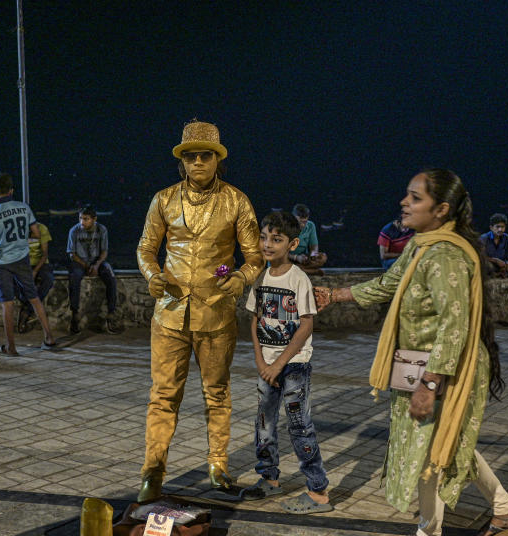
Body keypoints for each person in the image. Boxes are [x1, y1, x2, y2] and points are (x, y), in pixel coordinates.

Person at [314, 169, 508, 536]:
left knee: (432, 447)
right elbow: (389, 284)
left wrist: (429, 384)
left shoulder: (445, 255)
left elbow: (454, 324)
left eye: (415, 198)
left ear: (441, 208)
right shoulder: (421, 246)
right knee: (451, 441)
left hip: (441, 367)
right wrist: (335, 295)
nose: (404, 203)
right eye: (407, 196)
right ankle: (507, 513)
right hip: (426, 364)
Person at [135, 119, 262, 501]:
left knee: (217, 393)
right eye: (190, 157)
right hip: (170, 312)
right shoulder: (163, 200)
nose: (197, 163)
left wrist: (240, 278)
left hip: (216, 314)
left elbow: (254, 257)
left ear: (217, 160)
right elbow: (145, 249)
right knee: (163, 395)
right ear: (182, 162)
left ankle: (218, 464)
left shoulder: (237, 201)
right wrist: (152, 275)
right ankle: (153, 470)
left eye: (205, 156)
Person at [240, 210, 332, 513]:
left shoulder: (299, 279)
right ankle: (269, 478)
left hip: (293, 365)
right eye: (264, 238)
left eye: (276, 239)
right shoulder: (259, 277)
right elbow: (255, 320)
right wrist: (260, 360)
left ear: (292, 244)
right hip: (266, 366)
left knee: (299, 425)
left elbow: (306, 324)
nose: (268, 244)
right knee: (264, 423)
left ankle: (318, 490)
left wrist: (279, 364)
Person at [0, 172, 58, 354]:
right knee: (34, 297)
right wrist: (21, 239)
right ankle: (49, 337)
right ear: (11, 190)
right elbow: (36, 234)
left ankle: (11, 346)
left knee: (7, 303)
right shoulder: (24, 208)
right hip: (22, 258)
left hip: (2, 262)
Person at [66, 204, 121, 334]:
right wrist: (86, 265)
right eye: (80, 218)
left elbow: (104, 251)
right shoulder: (74, 231)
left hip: (97, 262)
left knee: (110, 276)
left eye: (85, 219)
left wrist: (96, 265)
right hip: (80, 262)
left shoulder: (102, 230)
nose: (82, 222)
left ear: (94, 219)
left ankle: (111, 315)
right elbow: (71, 254)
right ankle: (75, 315)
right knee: (74, 277)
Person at [16, 219, 54, 333]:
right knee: (13, 281)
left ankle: (27, 310)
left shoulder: (42, 229)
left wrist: (35, 271)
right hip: (24, 263)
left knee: (48, 280)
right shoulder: (18, 230)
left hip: (40, 263)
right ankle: (29, 306)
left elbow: (44, 254)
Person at [289, 204, 327, 273]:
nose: (302, 225)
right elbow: (279, 252)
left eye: (304, 222)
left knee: (322, 257)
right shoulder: (284, 226)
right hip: (288, 258)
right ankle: (310, 271)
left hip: (302, 259)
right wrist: (296, 257)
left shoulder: (310, 225)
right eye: (299, 222)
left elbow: (314, 246)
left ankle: (301, 270)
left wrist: (313, 254)